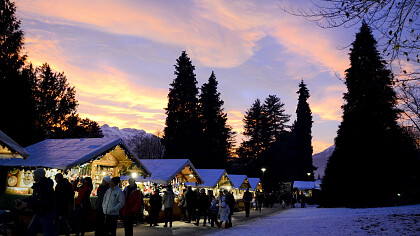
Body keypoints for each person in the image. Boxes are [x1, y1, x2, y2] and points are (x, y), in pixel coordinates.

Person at [17, 168, 56, 236]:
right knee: (32, 230)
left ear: (38, 176)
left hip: (45, 212)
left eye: (34, 175)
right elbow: (33, 197)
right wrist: (23, 201)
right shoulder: (39, 185)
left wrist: (26, 204)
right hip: (39, 212)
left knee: (47, 232)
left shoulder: (44, 187)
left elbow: (42, 202)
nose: (33, 177)